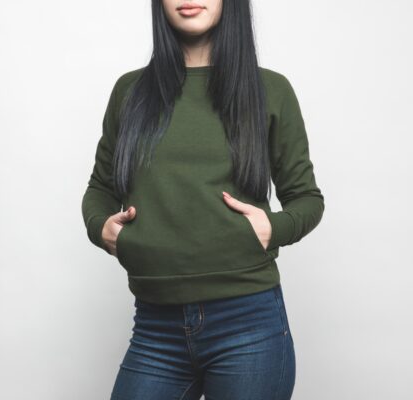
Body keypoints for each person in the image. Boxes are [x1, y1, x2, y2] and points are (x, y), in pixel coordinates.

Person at [82, 1, 325, 398]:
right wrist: (102, 229)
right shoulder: (131, 91)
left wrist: (271, 229)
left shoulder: (269, 90)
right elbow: (99, 188)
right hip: (154, 327)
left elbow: (306, 198)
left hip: (248, 326)